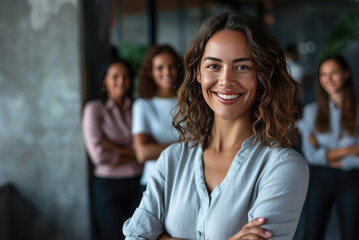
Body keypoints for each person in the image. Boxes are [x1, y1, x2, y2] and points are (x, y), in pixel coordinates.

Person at [124, 12, 309, 240]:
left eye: (242, 67)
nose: (226, 80)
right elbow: (134, 237)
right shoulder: (171, 159)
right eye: (214, 66)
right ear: (198, 73)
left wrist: (161, 237)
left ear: (262, 74)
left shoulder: (282, 166)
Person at [297, 54, 359, 239]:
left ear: (346, 74)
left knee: (352, 235)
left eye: (333, 73)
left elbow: (318, 155)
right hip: (319, 179)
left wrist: (325, 153)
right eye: (323, 74)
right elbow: (310, 155)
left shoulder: (358, 113)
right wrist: (352, 150)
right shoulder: (310, 112)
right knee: (311, 235)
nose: (328, 79)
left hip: (352, 180)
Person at [82, 58, 142, 240]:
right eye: (115, 76)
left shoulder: (137, 107)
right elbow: (99, 156)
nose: (121, 81)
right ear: (104, 81)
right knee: (113, 235)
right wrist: (133, 150)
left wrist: (112, 146)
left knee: (141, 235)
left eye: (126, 76)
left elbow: (144, 152)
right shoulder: (94, 109)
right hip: (108, 186)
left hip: (138, 183)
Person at [132, 44, 183, 190]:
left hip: (188, 180)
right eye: (160, 68)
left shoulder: (190, 101)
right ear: (150, 72)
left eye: (171, 66)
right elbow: (143, 153)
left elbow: (204, 143)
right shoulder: (143, 105)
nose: (167, 72)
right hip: (154, 182)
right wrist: (187, 143)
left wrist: (157, 148)